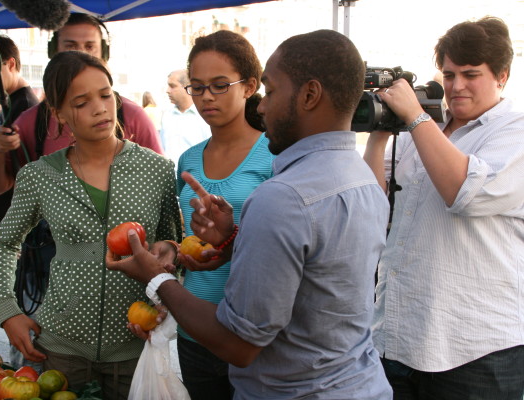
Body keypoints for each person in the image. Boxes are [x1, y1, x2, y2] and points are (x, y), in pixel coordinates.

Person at [108, 29, 392, 399]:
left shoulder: (283, 196)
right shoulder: (363, 178)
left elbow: (239, 345)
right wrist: (231, 242)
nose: (261, 105)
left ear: (309, 95)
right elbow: (314, 273)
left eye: (270, 91)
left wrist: (156, 280)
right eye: (197, 86)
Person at [0, 51, 182, 399]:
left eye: (106, 95)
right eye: (81, 102)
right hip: (61, 351)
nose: (100, 108)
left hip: (138, 348)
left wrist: (170, 263)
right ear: (59, 113)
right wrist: (7, 311)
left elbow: (174, 245)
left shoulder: (156, 169)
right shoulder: (39, 175)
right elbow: (4, 242)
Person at [363, 17, 524, 399]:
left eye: (471, 74)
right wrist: (379, 137)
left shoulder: (513, 130)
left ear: (502, 75)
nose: (456, 87)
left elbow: (464, 193)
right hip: (400, 335)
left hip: (477, 348)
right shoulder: (429, 129)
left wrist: (415, 117)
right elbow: (373, 203)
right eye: (449, 74)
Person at [173, 30, 274, 399]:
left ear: (249, 86)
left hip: (250, 333)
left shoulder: (274, 155)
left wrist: (231, 239)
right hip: (194, 327)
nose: (206, 97)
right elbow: (181, 234)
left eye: (219, 86)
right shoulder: (187, 160)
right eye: (197, 87)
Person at [0, 12, 163, 204]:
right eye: (70, 46)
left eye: (90, 47)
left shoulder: (133, 116)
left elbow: (159, 190)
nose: (80, 55)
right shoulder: (30, 122)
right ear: (53, 52)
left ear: (103, 54)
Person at [0, 33, 39, 232]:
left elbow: (20, 175)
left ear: (11, 64)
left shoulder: (25, 107)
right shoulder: (11, 103)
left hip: (14, 228)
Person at [160, 69, 211, 167]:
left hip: (195, 177)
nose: (167, 91)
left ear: (188, 87)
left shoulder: (204, 116)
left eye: (172, 86)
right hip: (169, 178)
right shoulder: (167, 115)